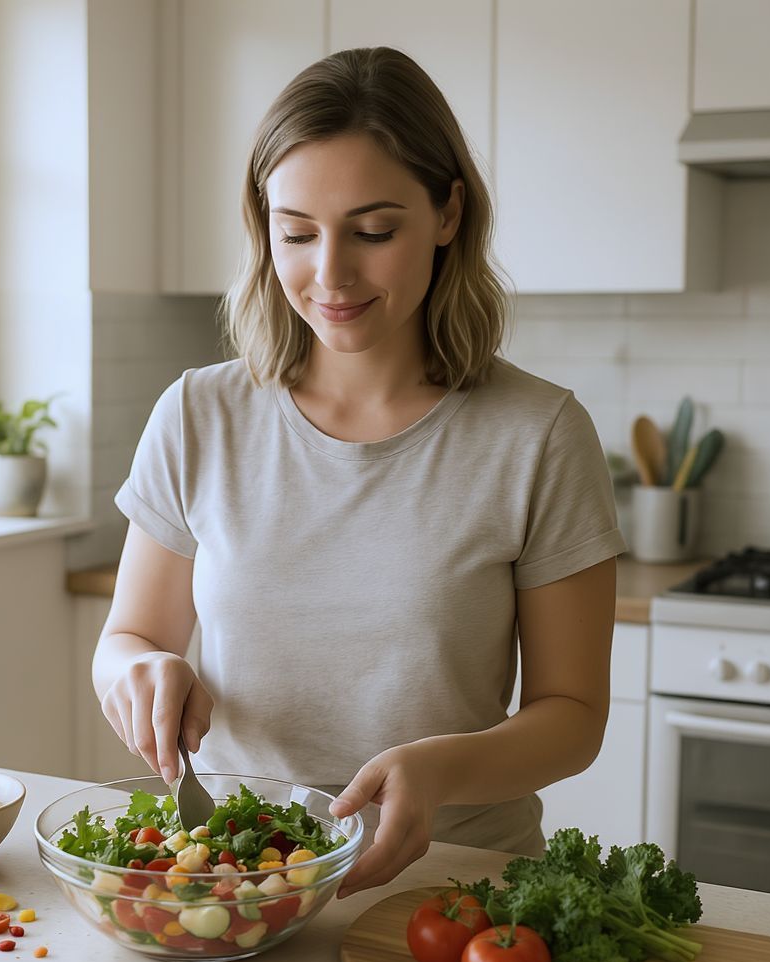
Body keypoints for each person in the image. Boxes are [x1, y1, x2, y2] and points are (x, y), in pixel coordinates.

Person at [92, 47, 626, 898]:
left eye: (374, 232)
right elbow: (131, 639)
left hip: (458, 892)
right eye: (296, 232)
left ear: (448, 212)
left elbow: (574, 719)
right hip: (238, 881)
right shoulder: (199, 415)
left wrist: (443, 770)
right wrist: (138, 674)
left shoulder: (540, 434)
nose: (329, 274)